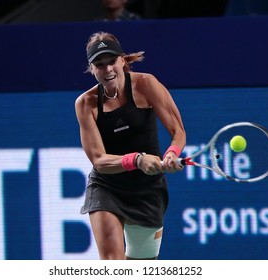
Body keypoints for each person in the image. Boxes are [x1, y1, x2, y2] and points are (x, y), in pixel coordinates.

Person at [75, 31, 186, 260]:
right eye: (99, 64)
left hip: (147, 190)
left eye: (112, 61)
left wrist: (172, 154)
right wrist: (137, 159)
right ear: (91, 69)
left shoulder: (146, 84)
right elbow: (99, 160)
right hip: (108, 187)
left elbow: (178, 132)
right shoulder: (86, 104)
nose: (107, 70)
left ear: (123, 60)